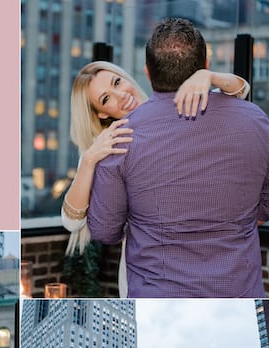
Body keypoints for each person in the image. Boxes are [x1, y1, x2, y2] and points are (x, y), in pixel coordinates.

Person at [87, 17, 269, 298]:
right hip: (239, 296)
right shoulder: (256, 121)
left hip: (158, 299)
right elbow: (265, 206)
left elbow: (104, 231)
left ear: (147, 72)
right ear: (205, 65)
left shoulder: (121, 137)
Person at [63, 60, 250, 297]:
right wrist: (89, 158)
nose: (121, 95)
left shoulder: (182, 106)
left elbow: (241, 91)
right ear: (101, 113)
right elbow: (72, 223)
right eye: (106, 99)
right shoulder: (105, 149)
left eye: (117, 82)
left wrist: (208, 76)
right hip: (147, 273)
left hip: (210, 262)